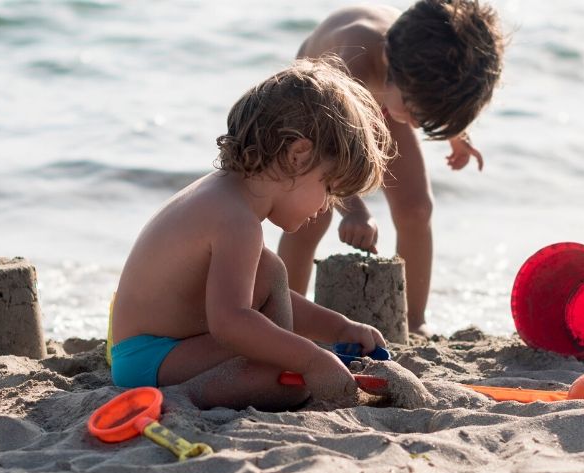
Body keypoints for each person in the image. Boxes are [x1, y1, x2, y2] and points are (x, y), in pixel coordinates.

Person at [107, 59, 394, 410]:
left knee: (271, 272)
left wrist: (339, 328)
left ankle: (268, 366)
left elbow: (265, 297)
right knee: (287, 382)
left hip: (152, 347)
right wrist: (310, 360)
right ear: (298, 156)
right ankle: (179, 400)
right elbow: (230, 323)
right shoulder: (236, 221)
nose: (325, 206)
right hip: (152, 357)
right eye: (329, 187)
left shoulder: (224, 196)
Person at [278, 0, 505, 335]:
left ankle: (412, 321)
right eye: (417, 112)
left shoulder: (418, 74)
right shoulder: (352, 60)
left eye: (426, 120)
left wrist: (455, 132)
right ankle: (284, 313)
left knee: (416, 208)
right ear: (388, 62)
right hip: (316, 99)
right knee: (314, 212)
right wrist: (353, 209)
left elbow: (431, 96)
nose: (415, 122)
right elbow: (327, 155)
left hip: (388, 95)